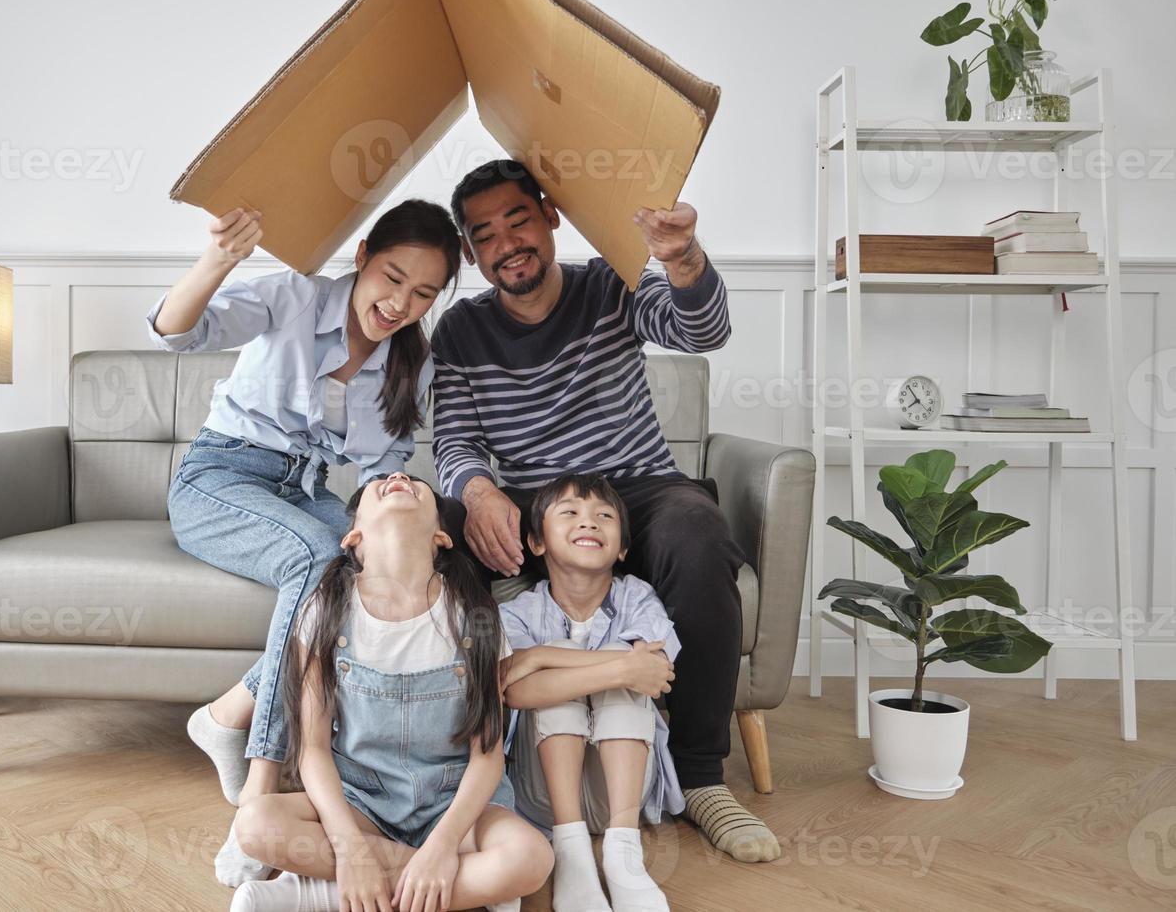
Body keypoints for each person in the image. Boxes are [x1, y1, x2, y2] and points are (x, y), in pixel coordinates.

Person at [432, 159, 781, 863]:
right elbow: (456, 439)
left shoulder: (609, 284)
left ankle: (702, 779)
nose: (507, 242)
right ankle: (429, 761)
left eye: (518, 219)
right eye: (485, 235)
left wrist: (680, 256)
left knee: (695, 527)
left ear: (550, 216)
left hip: (634, 487)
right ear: (473, 254)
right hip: (528, 502)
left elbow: (700, 331)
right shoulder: (459, 330)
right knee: (411, 527)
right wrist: (477, 492)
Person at [146, 199, 462, 886]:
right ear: (363, 256)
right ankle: (261, 788)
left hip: (305, 489)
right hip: (220, 476)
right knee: (318, 559)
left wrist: (396, 539)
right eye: (392, 276)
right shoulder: (292, 296)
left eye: (423, 293)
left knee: (358, 567)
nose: (400, 302)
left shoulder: (413, 364)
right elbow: (177, 331)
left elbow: (384, 472)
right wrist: (220, 259)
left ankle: (229, 711)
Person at [229, 473, 552, 912]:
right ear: (353, 537)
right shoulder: (324, 610)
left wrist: (443, 845)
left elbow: (487, 756)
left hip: (454, 802)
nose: (397, 477)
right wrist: (351, 850)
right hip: (361, 799)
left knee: (532, 858)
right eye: (378, 482)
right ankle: (441, 891)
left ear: (441, 536)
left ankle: (321, 895)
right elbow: (314, 751)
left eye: (414, 481)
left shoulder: (475, 615)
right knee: (255, 825)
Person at [501, 474, 681, 912]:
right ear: (537, 542)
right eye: (570, 513)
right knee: (584, 671)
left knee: (597, 671)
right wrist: (621, 666)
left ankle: (624, 856)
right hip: (542, 796)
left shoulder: (638, 598)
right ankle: (573, 853)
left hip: (622, 796)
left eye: (604, 516)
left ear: (621, 549)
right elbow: (516, 693)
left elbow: (654, 672)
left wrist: (541, 660)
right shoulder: (517, 612)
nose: (590, 522)